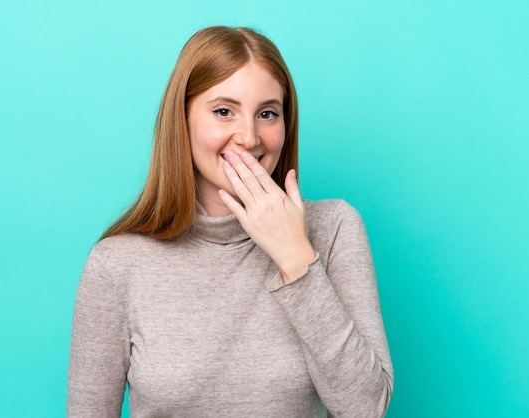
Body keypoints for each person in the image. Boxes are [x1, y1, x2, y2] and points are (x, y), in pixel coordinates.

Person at [67, 26, 394, 417]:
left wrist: (296, 257)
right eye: (224, 111)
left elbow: (366, 408)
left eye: (267, 114)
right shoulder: (117, 264)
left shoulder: (334, 228)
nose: (249, 137)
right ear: (182, 120)